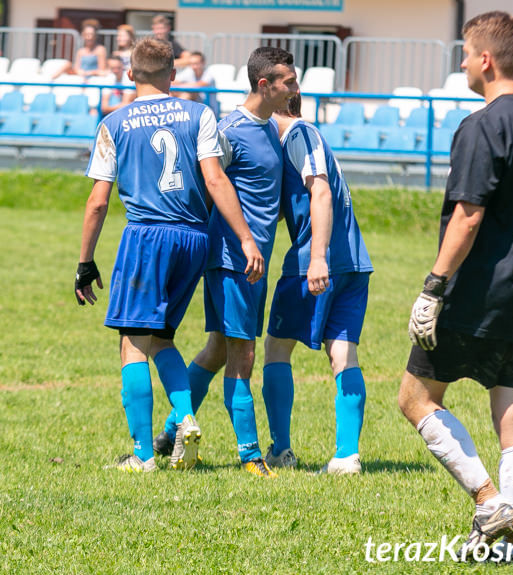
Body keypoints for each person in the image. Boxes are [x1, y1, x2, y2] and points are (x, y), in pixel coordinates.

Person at [397, 11, 513, 558]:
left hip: (480, 288)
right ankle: (509, 545)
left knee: (416, 398)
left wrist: (433, 286)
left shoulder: (484, 123)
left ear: (487, 60)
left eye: (467, 54)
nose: (464, 63)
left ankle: (489, 500)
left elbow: (468, 216)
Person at [75, 37, 264, 473]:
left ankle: (142, 454)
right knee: (161, 339)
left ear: (129, 75)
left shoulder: (115, 123)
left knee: (132, 345)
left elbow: (98, 202)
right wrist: (247, 239)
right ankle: (185, 417)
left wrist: (85, 262)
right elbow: (217, 181)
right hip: (195, 239)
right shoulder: (200, 113)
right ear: (173, 74)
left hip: (147, 237)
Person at [155, 46, 299, 478]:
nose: (295, 88)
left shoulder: (271, 128)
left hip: (253, 257)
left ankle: (170, 432)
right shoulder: (229, 130)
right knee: (243, 352)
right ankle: (250, 455)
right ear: (264, 85)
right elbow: (207, 186)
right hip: (236, 259)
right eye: (288, 82)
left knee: (219, 348)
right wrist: (240, 242)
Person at [260, 92, 373, 474]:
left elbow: (320, 193)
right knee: (343, 355)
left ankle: (281, 450)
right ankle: (346, 455)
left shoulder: (297, 136)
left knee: (276, 349)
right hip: (354, 260)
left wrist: (318, 257)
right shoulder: (314, 137)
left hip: (315, 260)